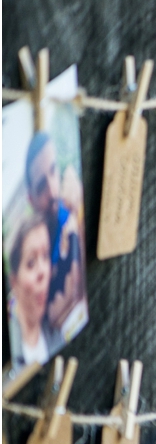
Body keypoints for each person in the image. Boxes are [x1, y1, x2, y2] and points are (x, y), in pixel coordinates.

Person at [23, 131, 84, 335]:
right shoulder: (35, 252)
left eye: (53, 171)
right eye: (41, 187)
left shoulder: (71, 208)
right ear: (31, 200)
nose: (52, 191)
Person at [6, 216, 61, 368]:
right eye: (31, 263)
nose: (43, 271)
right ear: (14, 282)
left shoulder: (57, 330)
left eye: (45, 256)